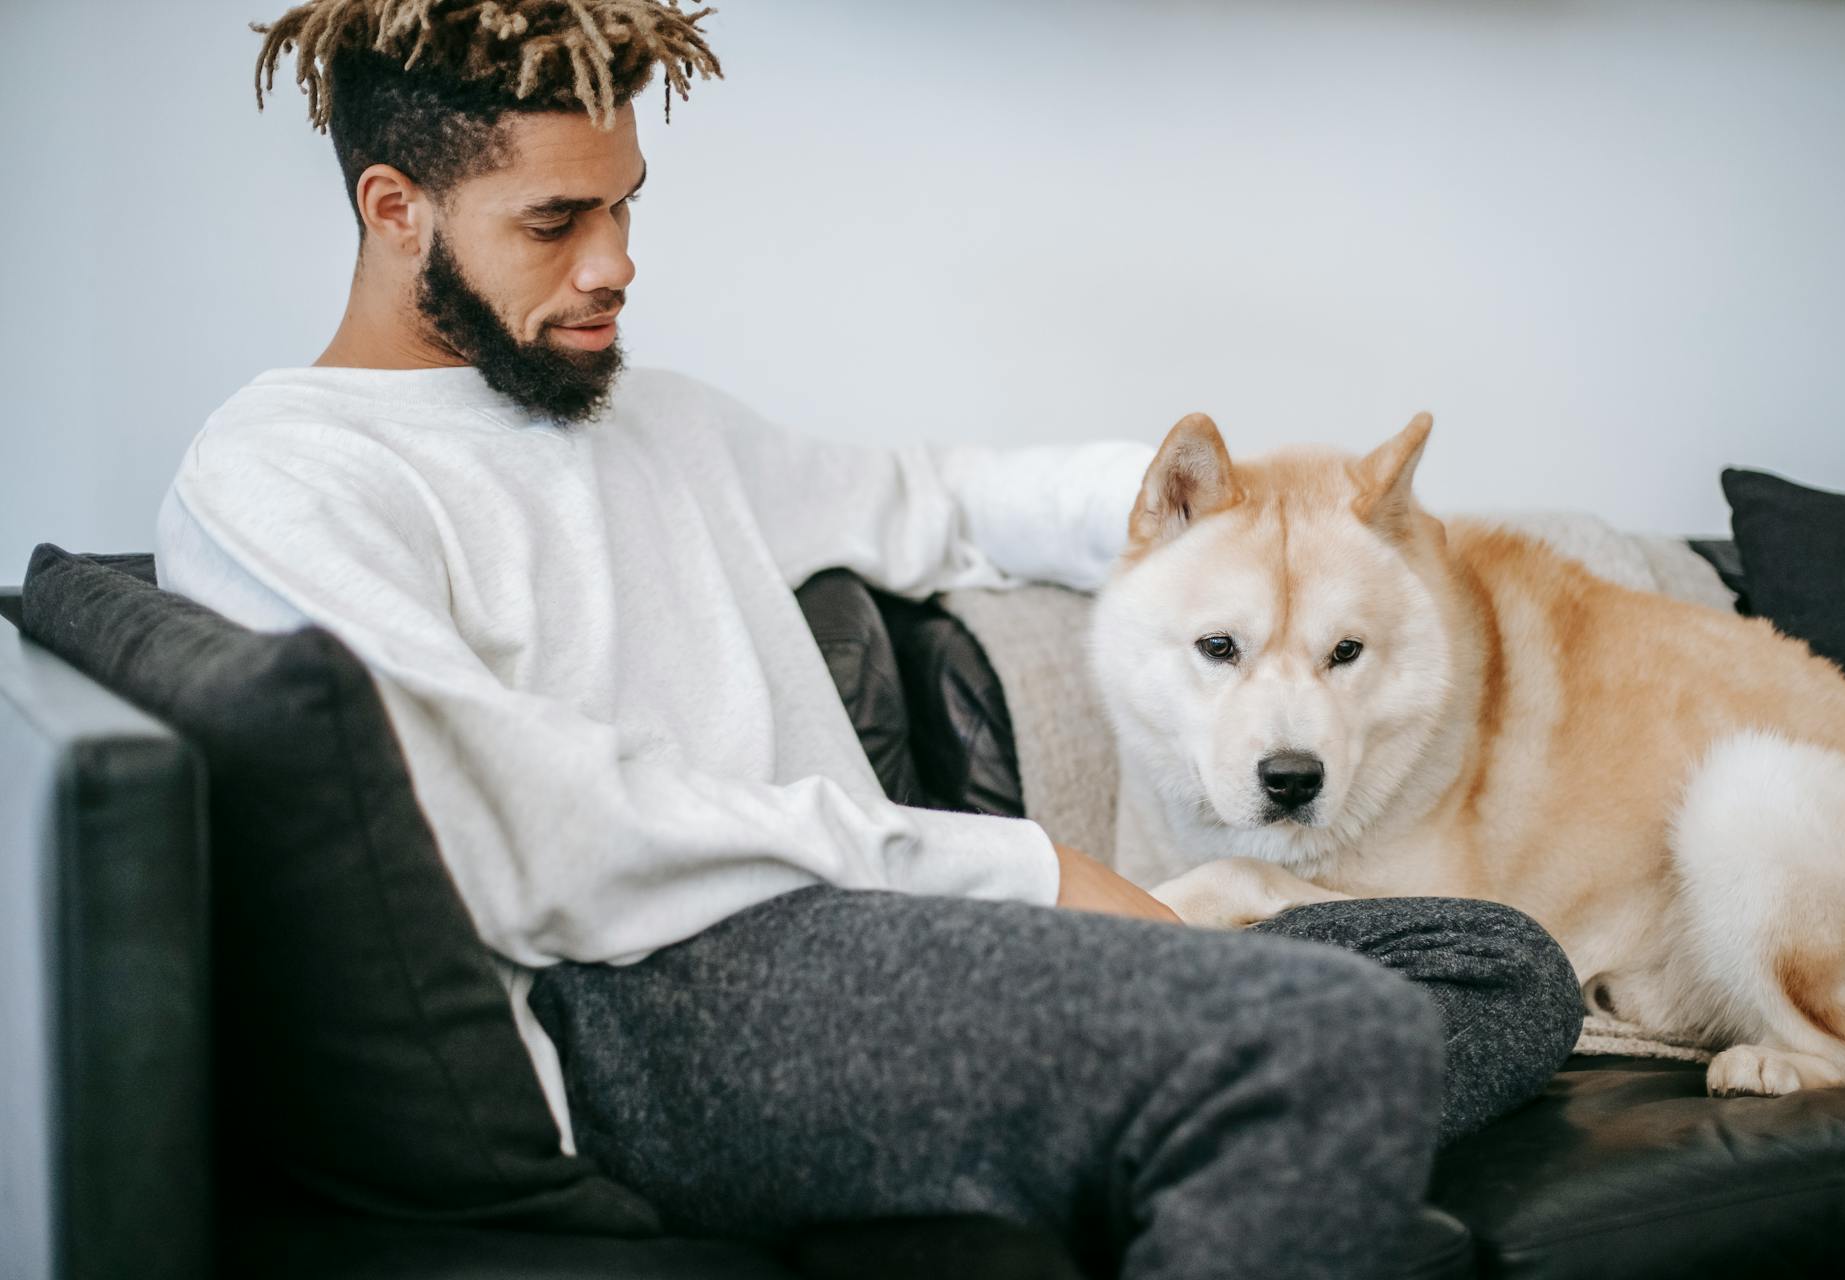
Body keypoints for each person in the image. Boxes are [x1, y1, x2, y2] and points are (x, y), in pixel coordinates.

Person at [158, 4, 1584, 1276]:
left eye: (628, 207)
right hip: (649, 994)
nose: (618, 265)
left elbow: (935, 500)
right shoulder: (286, 473)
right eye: (555, 222)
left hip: (871, 947)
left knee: (1505, 969)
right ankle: (1203, 1114)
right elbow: (540, 836)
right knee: (1332, 1033)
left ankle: (1113, 1142)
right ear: (395, 206)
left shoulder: (654, 419)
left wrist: (1206, 524)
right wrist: (1032, 870)